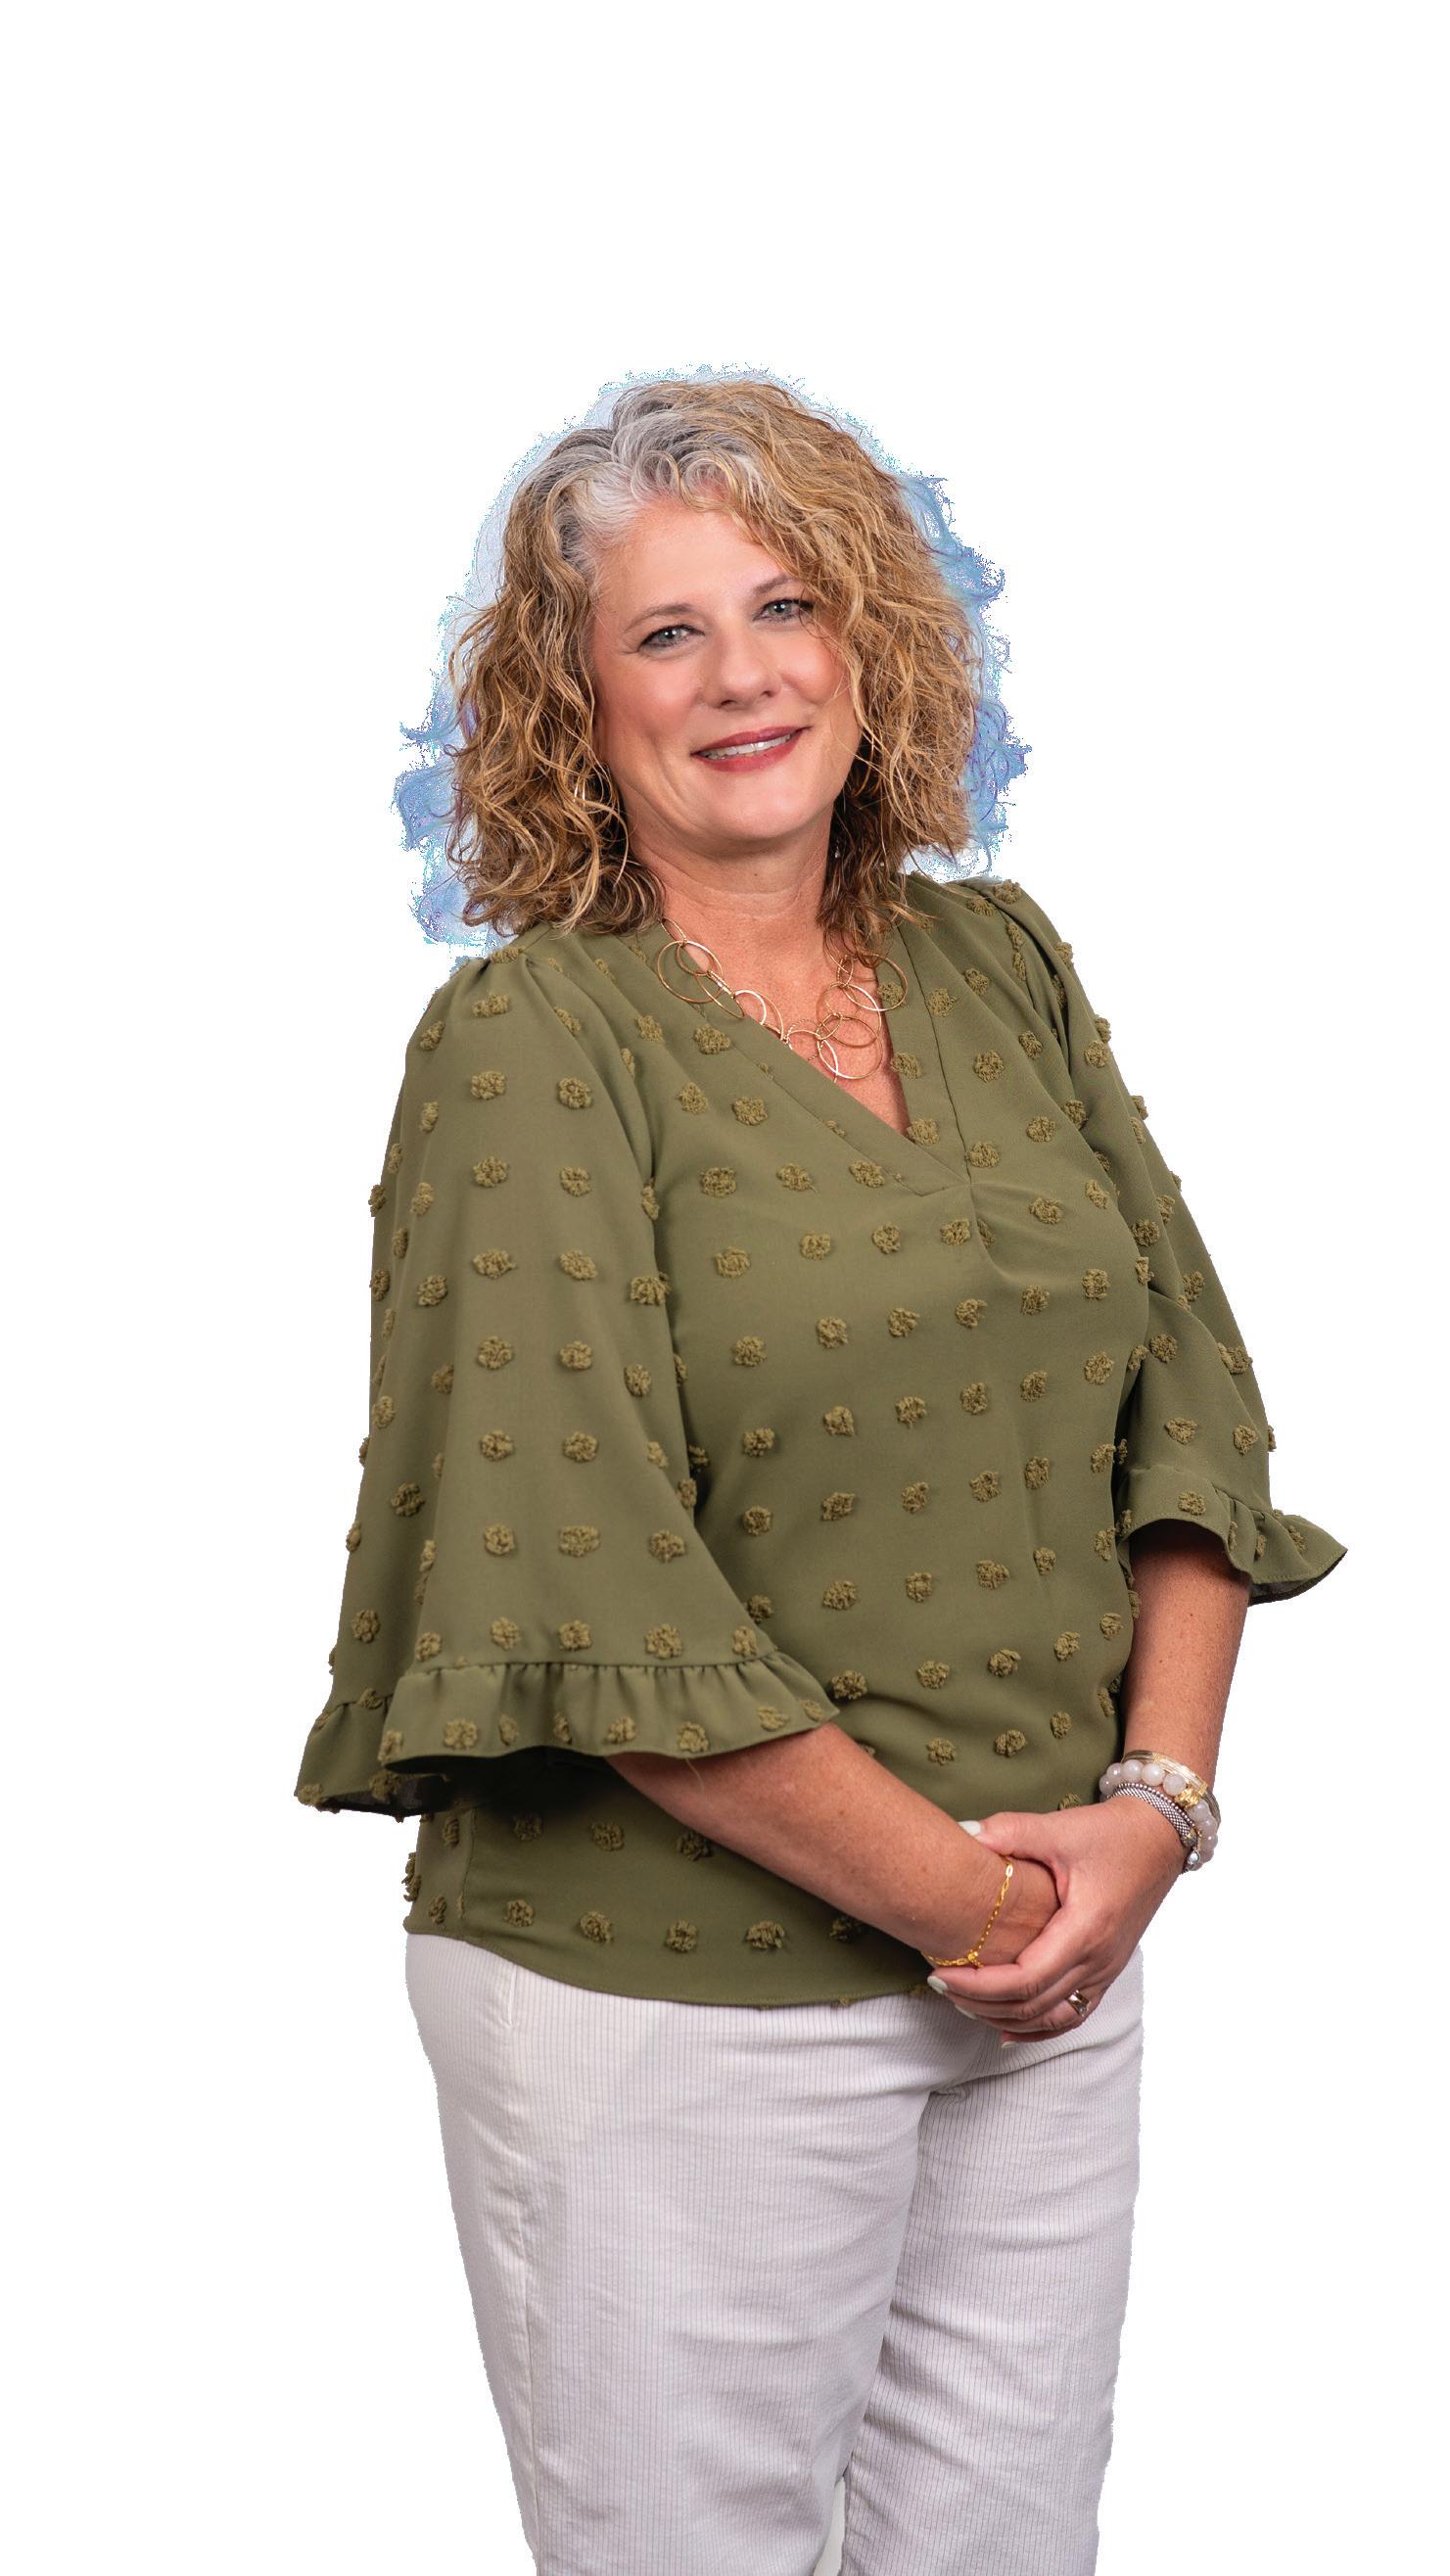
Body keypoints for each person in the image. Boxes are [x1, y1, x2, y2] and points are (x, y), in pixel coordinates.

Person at [291, 372, 1346, 2576]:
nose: (743, 674)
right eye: (666, 632)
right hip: (671, 2003)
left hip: (1054, 1953)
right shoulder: (533, 1041)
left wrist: (1153, 1818)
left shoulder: (996, 959)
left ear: (877, 639)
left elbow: (1193, 1415)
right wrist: (985, 1910)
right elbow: (585, 1583)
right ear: (576, 707)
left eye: (788, 605)